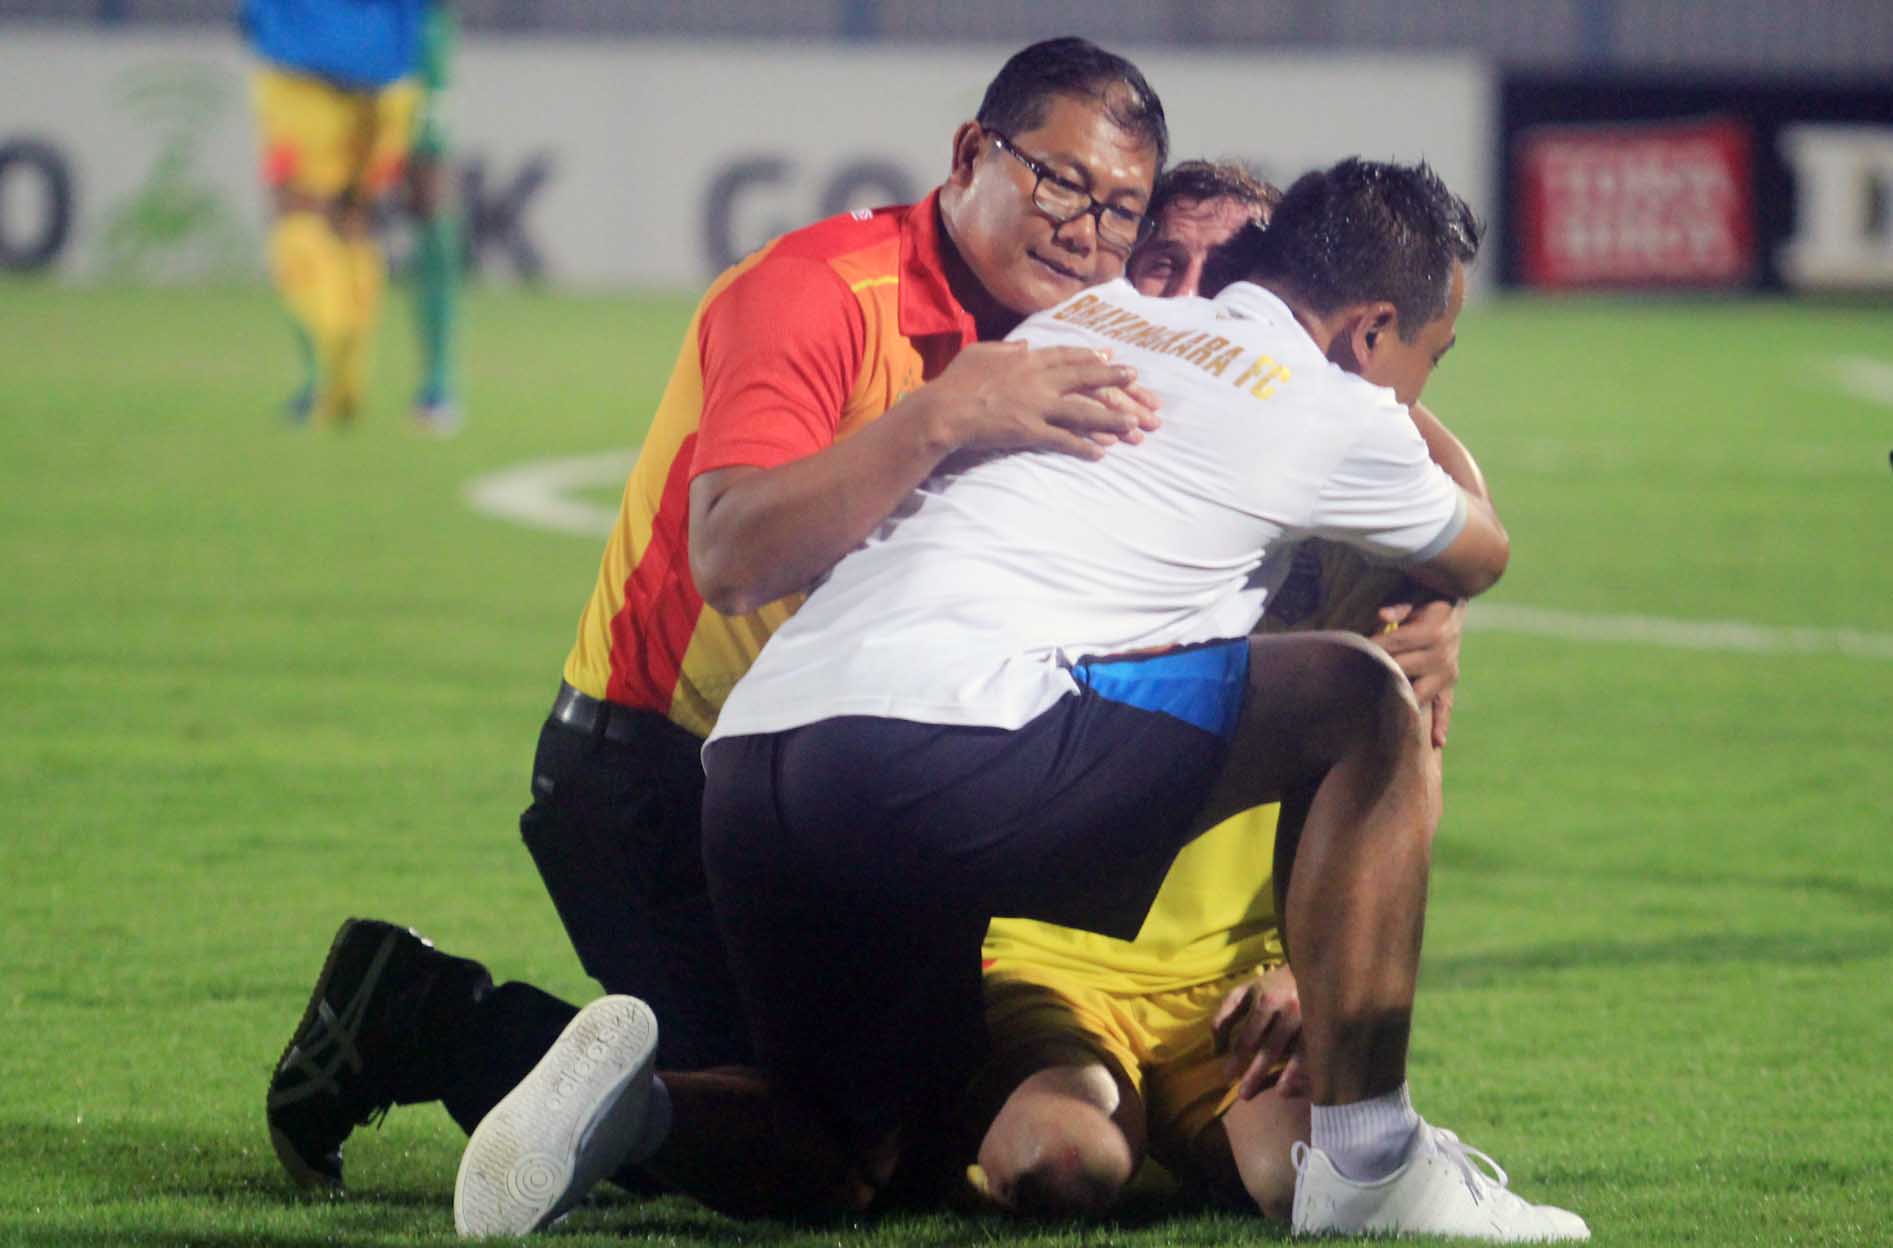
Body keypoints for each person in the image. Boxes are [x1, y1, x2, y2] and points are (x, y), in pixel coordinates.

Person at [462, 158, 1589, 1242]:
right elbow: (1480, 547)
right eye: (1424, 357)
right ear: (1373, 332)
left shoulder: (1071, 329)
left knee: (841, 1150)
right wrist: (1391, 430)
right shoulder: (1330, 411)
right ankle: (1376, 1164)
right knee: (1363, 696)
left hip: (759, 760)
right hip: (958, 756)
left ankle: (633, 1108)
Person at [265, 34, 1167, 1195]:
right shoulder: (817, 293)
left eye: (1119, 211)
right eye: (1059, 180)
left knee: (933, 1141)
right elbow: (733, 553)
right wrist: (943, 417)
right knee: (812, 1155)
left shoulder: (1074, 339)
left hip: (851, 794)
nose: (1085, 233)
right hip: (659, 777)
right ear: (970, 152)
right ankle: (422, 1017)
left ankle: (487, 1037)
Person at [970, 161, 1482, 1223]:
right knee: (1060, 1167)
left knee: (1296, 1180)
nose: (1197, 291)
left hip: (1236, 985)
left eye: (1228, 271)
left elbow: (1396, 765)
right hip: (1048, 957)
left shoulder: (1335, 499)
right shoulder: (1061, 466)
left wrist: (1313, 977)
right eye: (1166, 263)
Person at [243, 0, 427, 428]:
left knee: (298, 208)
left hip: (301, 62)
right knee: (356, 218)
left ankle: (333, 337)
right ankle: (352, 369)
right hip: (390, 70)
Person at [405, 0, 464, 434]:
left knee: (436, 231)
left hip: (417, 58)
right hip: (338, 66)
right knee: (321, 224)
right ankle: (320, 381)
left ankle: (438, 385)